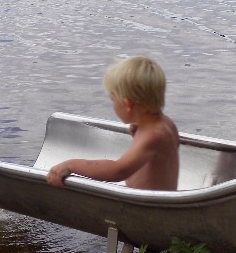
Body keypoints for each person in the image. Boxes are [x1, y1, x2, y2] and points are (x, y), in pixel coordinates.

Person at [46, 56, 180, 191]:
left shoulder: (152, 136)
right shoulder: (165, 125)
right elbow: (158, 160)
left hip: (149, 207)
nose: (113, 105)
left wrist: (71, 165)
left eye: (113, 99)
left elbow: (118, 171)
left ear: (127, 104)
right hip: (148, 201)